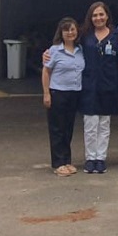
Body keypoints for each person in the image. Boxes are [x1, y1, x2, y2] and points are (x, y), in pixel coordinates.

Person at [78, 2, 118, 174]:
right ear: (90, 18)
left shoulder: (116, 35)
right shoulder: (84, 35)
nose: (98, 18)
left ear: (107, 16)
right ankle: (90, 158)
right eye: (95, 15)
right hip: (89, 84)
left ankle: (100, 158)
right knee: (90, 123)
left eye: (101, 14)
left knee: (104, 123)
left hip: (108, 84)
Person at [42, 17, 84, 177]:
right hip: (57, 93)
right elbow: (46, 72)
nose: (70, 32)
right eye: (66, 30)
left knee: (68, 129)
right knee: (57, 129)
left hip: (74, 93)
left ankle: (67, 160)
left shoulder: (80, 50)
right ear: (61, 32)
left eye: (73, 29)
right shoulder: (53, 51)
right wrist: (46, 93)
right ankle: (58, 163)